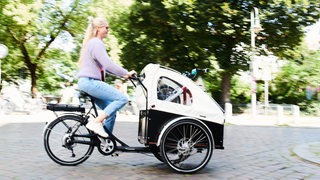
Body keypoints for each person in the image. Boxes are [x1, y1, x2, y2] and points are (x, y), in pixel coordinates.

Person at [77, 17, 136, 137]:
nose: (108, 30)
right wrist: (126, 73)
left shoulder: (92, 43)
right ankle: (96, 122)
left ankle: (105, 141)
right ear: (98, 28)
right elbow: (108, 63)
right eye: (106, 27)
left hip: (87, 82)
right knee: (122, 99)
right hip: (90, 82)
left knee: (111, 111)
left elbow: (107, 68)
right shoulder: (96, 42)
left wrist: (124, 75)